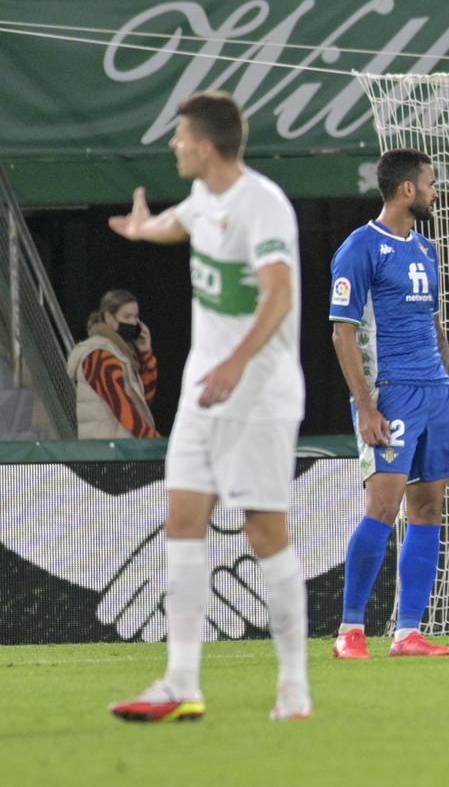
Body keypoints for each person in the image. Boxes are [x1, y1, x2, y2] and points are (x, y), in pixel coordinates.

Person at [106, 91, 310, 721]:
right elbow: (182, 221)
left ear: (207, 145)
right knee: (182, 519)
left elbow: (279, 295)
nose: (173, 145)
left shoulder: (263, 205)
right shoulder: (204, 199)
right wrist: (145, 228)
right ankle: (181, 681)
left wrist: (237, 362)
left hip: (258, 392)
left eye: (180, 136)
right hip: (204, 391)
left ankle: (294, 686)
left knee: (263, 529)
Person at [329, 148, 449, 659]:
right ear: (408, 189)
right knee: (384, 506)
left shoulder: (428, 250)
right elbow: (342, 333)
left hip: (435, 393)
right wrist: (366, 407)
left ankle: (408, 632)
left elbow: (436, 328)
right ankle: (350, 631)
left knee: (429, 508)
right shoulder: (359, 248)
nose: (437, 192)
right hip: (391, 394)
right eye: (432, 184)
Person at [66, 289, 159, 438]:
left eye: (136, 317)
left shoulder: (121, 353)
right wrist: (154, 443)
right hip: (107, 455)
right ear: (109, 317)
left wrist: (146, 354)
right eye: (127, 317)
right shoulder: (99, 355)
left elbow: (144, 401)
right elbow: (122, 407)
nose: (134, 323)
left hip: (120, 451)